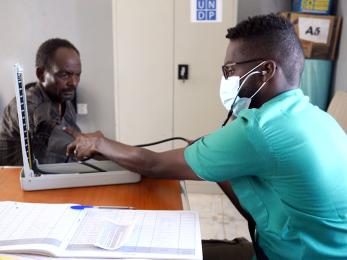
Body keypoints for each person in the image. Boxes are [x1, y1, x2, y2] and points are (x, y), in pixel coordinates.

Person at [65, 14, 347, 259]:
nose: (227, 79)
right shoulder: (317, 118)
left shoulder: (260, 129)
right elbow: (263, 206)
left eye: (230, 69)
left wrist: (100, 142)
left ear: (266, 71)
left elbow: (153, 165)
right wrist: (216, 161)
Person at [0, 38, 81, 165]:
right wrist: (96, 144)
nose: (74, 83)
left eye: (77, 75)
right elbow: (44, 128)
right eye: (65, 75)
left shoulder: (66, 104)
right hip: (15, 183)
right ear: (41, 74)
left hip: (54, 181)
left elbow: (74, 153)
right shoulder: (24, 104)